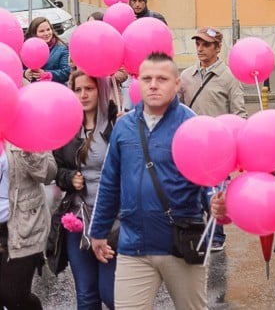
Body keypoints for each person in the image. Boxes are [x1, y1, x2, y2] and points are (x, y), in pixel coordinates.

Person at [89, 52, 214, 310]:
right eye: (147, 78)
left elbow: (210, 181)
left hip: (180, 244)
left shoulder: (191, 125)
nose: (153, 84)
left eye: (162, 78)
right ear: (138, 83)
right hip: (134, 245)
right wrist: (99, 231)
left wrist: (217, 209)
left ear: (177, 84)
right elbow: (110, 183)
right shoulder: (124, 127)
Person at [54, 71, 121, 309]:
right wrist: (69, 177)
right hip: (78, 219)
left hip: (114, 222)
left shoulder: (117, 123)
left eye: (89, 89)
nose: (83, 95)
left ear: (100, 90)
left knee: (111, 294)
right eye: (78, 89)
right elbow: (56, 170)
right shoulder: (67, 127)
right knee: (85, 293)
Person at [179, 27, 247, 252]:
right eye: (198, 43)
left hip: (218, 146)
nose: (200, 48)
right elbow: (177, 108)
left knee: (216, 191)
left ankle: (217, 234)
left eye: (206, 44)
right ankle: (196, 230)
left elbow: (239, 113)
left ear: (218, 47)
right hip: (191, 143)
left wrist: (235, 139)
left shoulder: (229, 78)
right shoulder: (186, 75)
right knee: (191, 189)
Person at [0, 140, 57, 309]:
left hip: (22, 226)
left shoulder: (26, 130)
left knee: (13, 295)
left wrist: (30, 152)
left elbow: (49, 174)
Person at [23, 16, 71, 84]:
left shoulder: (61, 49)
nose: (46, 33)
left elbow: (67, 72)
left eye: (48, 29)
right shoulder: (26, 48)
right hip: (33, 90)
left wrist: (48, 74)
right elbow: (16, 68)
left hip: (55, 89)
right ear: (34, 33)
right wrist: (25, 73)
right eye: (41, 31)